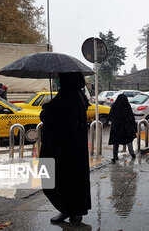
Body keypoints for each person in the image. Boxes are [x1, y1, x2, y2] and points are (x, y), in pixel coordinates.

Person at [39, 72, 91, 223]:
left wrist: (47, 110)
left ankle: (68, 208)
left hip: (62, 149)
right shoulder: (78, 96)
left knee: (58, 179)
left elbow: (53, 118)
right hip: (74, 148)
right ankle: (73, 210)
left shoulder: (67, 97)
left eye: (61, 79)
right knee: (73, 179)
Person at [108, 94, 137, 163]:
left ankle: (115, 157)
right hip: (126, 128)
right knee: (129, 141)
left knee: (116, 143)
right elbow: (132, 118)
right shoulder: (127, 107)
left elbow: (110, 116)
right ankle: (132, 154)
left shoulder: (115, 106)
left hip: (117, 128)